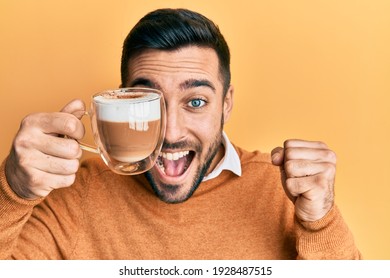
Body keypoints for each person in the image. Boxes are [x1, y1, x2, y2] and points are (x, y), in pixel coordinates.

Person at [0, 8, 361, 260]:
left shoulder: (283, 192)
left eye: (197, 101)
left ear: (227, 104)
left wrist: (320, 221)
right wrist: (11, 190)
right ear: (123, 102)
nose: (170, 132)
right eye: (148, 100)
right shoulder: (76, 199)